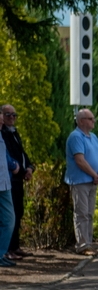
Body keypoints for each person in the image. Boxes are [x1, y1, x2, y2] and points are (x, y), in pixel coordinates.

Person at [65, 109, 98, 256]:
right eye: (90, 119)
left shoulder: (93, 136)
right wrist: (96, 175)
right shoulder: (76, 137)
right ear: (81, 121)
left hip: (92, 181)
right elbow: (80, 161)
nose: (93, 121)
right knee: (81, 213)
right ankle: (82, 245)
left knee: (89, 213)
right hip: (80, 181)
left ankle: (89, 243)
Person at [1, 105, 34, 260]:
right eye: (8, 115)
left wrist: (29, 167)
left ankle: (14, 246)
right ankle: (6, 250)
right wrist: (20, 170)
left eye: (14, 115)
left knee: (18, 212)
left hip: (17, 178)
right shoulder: (3, 134)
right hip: (9, 178)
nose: (12, 118)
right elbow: (8, 158)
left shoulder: (14, 133)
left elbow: (21, 153)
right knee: (9, 215)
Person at [0, 126, 20, 267]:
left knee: (9, 220)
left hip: (5, 183)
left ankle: (1, 253)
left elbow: (5, 156)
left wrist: (14, 164)